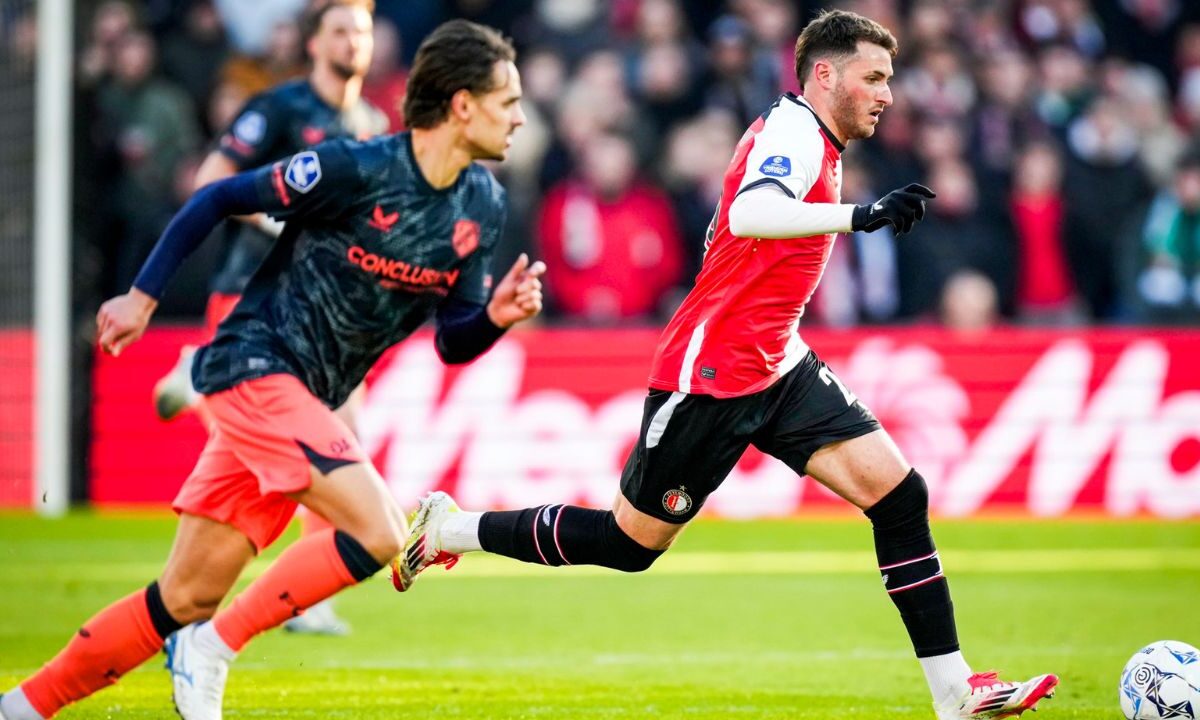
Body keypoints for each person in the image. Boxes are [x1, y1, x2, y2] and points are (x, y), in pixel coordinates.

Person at [397, 10, 1058, 720]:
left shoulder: (817, 139)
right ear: (825, 74)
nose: (887, 94)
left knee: (899, 497)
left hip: (777, 362)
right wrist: (858, 217)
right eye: (875, 77)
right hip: (711, 371)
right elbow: (751, 213)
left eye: (889, 80)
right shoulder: (792, 133)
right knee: (629, 543)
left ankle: (954, 692)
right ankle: (450, 529)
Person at [0, 19, 539, 720]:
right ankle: (214, 648)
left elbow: (452, 343)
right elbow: (219, 196)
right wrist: (141, 296)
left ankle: (24, 705)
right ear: (462, 105)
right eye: (508, 102)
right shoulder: (356, 167)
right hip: (255, 365)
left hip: (305, 396)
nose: (521, 118)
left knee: (183, 596)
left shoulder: (483, 207)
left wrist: (495, 317)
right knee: (380, 530)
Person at [152, 0, 390, 636]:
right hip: (252, 295)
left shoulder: (372, 122)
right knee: (270, 444)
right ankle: (209, 603)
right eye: (340, 31)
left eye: (361, 33)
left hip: (328, 310)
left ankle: (305, 596)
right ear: (314, 44)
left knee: (339, 440)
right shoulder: (278, 108)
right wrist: (284, 218)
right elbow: (211, 180)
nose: (352, 43)